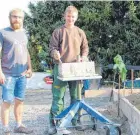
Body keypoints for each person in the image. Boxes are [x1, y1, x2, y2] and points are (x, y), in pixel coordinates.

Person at [48, 5, 89, 134]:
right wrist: (55, 53)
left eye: (73, 16)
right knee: (58, 97)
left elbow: (85, 48)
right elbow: (52, 48)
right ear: (64, 16)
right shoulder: (58, 32)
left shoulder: (80, 32)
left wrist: (83, 57)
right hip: (60, 68)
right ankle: (56, 123)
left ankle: (75, 121)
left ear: (76, 18)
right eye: (68, 16)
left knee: (76, 96)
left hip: (76, 69)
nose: (70, 18)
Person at [0, 8, 33, 134]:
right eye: (14, 16)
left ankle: (19, 125)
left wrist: (30, 67)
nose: (17, 19)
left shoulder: (24, 33)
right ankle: (6, 128)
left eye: (19, 17)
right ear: (10, 17)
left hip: (22, 74)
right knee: (7, 101)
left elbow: (26, 51)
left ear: (22, 19)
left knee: (20, 100)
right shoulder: (2, 33)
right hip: (8, 75)